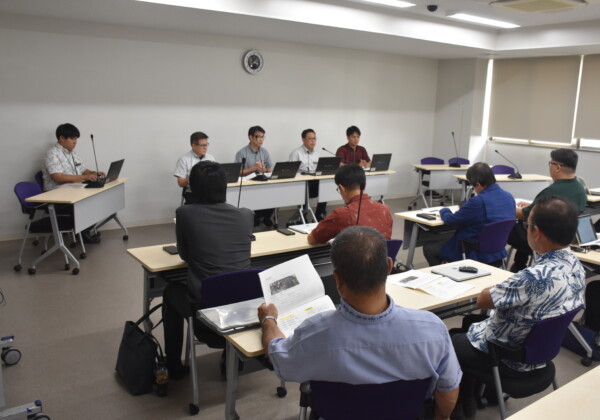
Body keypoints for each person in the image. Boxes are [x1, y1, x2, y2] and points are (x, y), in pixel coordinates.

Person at [258, 226, 460, 420]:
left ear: (337, 278)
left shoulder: (313, 332)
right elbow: (448, 389)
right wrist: (442, 417)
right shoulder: (433, 330)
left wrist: (268, 319)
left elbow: (276, 355)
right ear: (389, 266)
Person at [451, 196, 585, 417]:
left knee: (449, 339)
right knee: (471, 322)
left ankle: (455, 405)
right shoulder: (576, 266)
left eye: (526, 225)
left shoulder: (533, 277)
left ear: (536, 232)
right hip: (541, 352)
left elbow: (482, 300)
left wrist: (506, 285)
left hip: (508, 357)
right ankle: (480, 395)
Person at [162, 161, 253, 378]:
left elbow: (185, 255)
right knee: (232, 283)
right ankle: (231, 358)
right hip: (244, 313)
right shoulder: (246, 215)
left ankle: (173, 365)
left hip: (205, 317)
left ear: (193, 188)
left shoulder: (185, 214)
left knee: (169, 292)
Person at [507, 148, 586, 272]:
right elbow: (558, 209)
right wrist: (532, 205)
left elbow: (525, 215)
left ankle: (515, 267)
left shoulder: (551, 191)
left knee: (508, 228)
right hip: (566, 237)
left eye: (550, 164)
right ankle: (519, 265)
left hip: (545, 237)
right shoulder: (580, 189)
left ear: (558, 167)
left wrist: (506, 207)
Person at [423, 162, 515, 267]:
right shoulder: (509, 197)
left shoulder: (478, 202)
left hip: (474, 253)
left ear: (478, 185)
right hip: (497, 252)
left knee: (429, 248)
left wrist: (444, 210)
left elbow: (451, 220)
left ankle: (444, 275)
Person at [42, 123, 105, 243]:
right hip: (58, 197)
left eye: (76, 138)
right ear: (62, 138)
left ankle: (83, 231)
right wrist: (85, 177)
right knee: (88, 205)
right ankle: (82, 235)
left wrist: (93, 173)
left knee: (97, 201)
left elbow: (82, 170)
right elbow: (58, 177)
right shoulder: (52, 154)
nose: (75, 142)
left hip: (74, 191)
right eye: (72, 138)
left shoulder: (73, 153)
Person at [307, 164, 392, 245]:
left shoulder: (341, 214)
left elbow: (312, 240)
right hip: (382, 255)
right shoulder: (385, 209)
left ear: (341, 188)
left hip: (357, 255)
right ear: (364, 184)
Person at [234, 126, 275, 227]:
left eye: (263, 137)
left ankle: (265, 217)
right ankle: (258, 216)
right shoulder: (242, 153)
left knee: (274, 194)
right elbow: (237, 172)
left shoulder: (264, 152)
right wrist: (254, 168)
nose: (261, 139)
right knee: (258, 197)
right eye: (258, 137)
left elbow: (270, 169)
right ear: (251, 137)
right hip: (248, 185)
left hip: (263, 183)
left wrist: (264, 170)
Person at [288, 128, 327, 221]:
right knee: (303, 187)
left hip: (313, 181)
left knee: (325, 188)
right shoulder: (296, 153)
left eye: (314, 138)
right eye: (310, 139)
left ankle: (319, 214)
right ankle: (303, 215)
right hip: (300, 184)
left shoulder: (316, 154)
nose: (313, 141)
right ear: (303, 139)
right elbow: (290, 171)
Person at [173, 132, 215, 202]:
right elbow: (181, 182)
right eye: (202, 145)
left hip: (210, 192)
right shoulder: (184, 159)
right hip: (193, 193)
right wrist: (196, 178)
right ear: (193, 146)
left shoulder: (211, 158)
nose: (205, 147)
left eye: (206, 144)